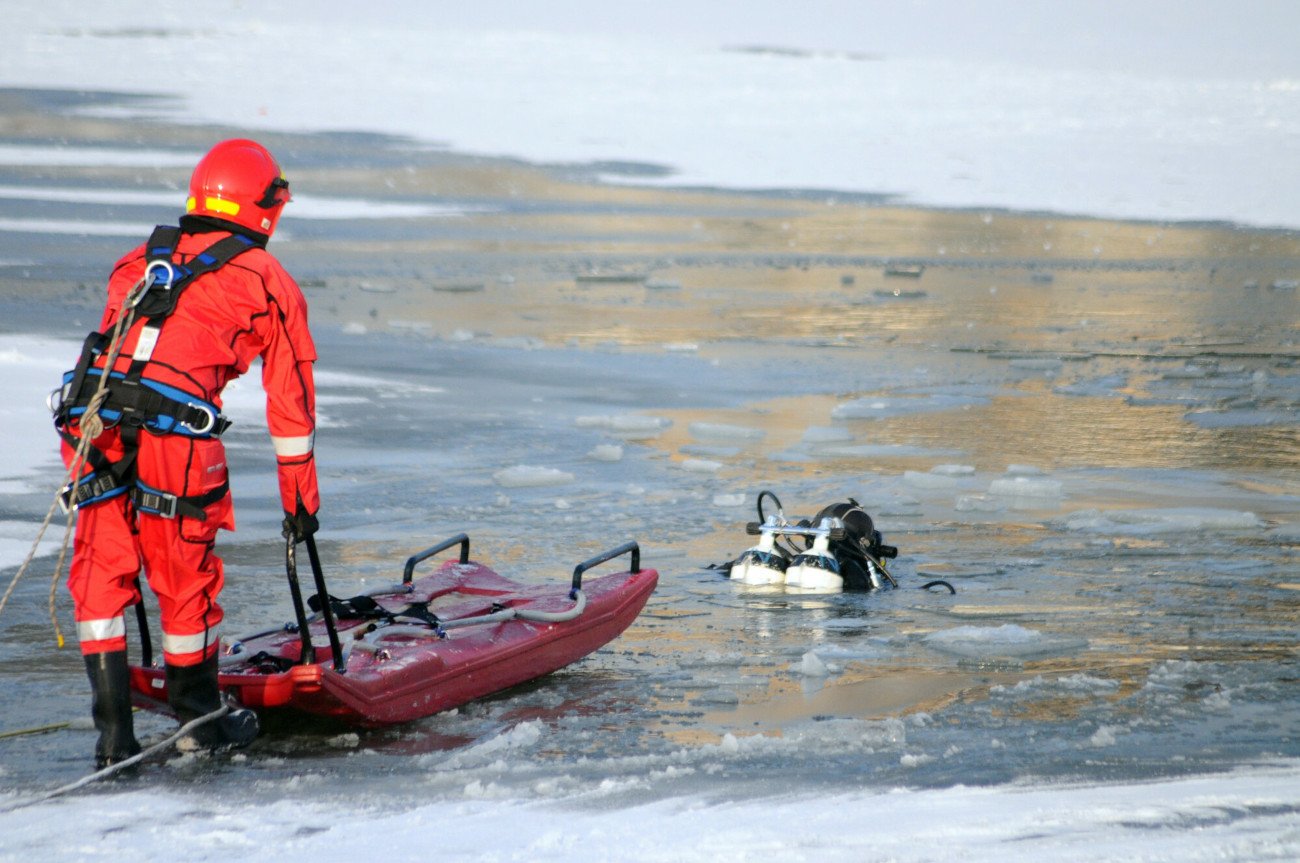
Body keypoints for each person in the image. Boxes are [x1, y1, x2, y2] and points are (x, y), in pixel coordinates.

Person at [52, 138, 320, 767]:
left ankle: (114, 738)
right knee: (182, 575)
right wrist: (300, 506)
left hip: (93, 428)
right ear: (265, 207)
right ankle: (198, 721)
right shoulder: (268, 280)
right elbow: (291, 407)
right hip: (175, 439)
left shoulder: (137, 261)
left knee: (100, 573)